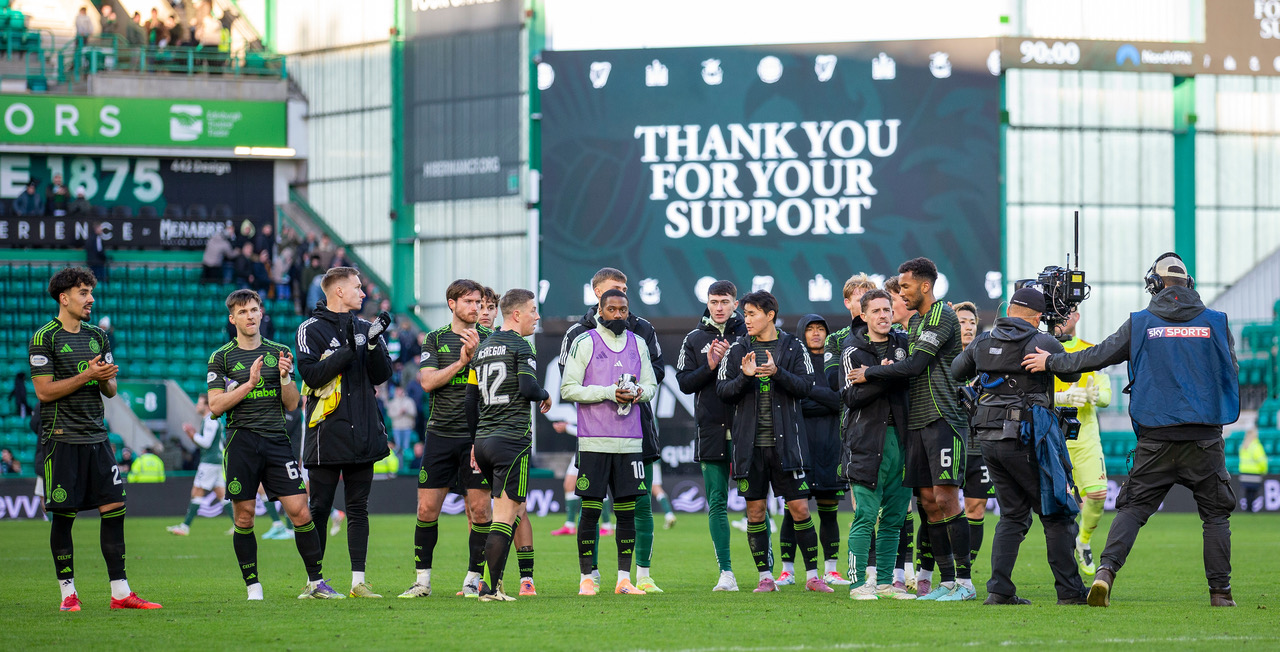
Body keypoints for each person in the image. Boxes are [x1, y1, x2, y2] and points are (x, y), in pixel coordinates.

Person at [1023, 252, 1241, 608]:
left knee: (1133, 510)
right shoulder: (1216, 321)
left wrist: (1052, 361)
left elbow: (1096, 356)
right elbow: (1229, 371)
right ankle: (1220, 594)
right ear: (1190, 284)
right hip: (1203, 439)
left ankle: (1105, 573)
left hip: (1155, 438)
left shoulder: (1141, 322)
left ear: (1154, 285)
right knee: (1215, 516)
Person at [30, 266, 161, 611]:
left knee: (114, 507)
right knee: (64, 515)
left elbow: (112, 390)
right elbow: (44, 392)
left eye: (91, 292)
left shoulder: (97, 336)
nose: (90, 299)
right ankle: (68, 594)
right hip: (61, 439)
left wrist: (103, 377)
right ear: (64, 297)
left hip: (97, 437)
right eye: (83, 293)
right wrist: (88, 373)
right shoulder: (44, 337)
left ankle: (120, 593)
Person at [848, 258, 974, 601]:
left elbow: (916, 365)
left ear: (925, 286)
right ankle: (946, 581)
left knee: (947, 498)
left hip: (943, 417)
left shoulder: (941, 316)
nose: (900, 294)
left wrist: (870, 373)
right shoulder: (916, 322)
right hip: (916, 423)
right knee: (929, 502)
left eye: (904, 287)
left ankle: (965, 582)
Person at [952, 287, 1087, 605]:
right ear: (1038, 316)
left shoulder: (984, 340)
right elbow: (1073, 375)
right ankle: (1069, 592)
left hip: (987, 436)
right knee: (1056, 514)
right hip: (1028, 437)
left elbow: (958, 370)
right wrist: (1052, 355)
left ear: (1010, 309)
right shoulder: (1042, 341)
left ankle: (999, 590)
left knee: (1012, 515)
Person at [209, 289, 334, 600]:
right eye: (243, 312)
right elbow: (215, 406)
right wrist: (249, 385)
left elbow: (292, 405)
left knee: (300, 512)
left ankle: (316, 583)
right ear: (232, 318)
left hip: (277, 441)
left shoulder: (279, 351)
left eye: (254, 310)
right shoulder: (221, 357)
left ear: (261, 313)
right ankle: (253, 586)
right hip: (241, 442)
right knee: (245, 517)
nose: (250, 316)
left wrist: (285, 378)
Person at [558, 267, 667, 593]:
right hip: (593, 437)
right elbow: (569, 386)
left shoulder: (640, 337)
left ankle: (632, 577)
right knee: (590, 509)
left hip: (632, 438)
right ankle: (587, 577)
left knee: (631, 508)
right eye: (612, 305)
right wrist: (607, 391)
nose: (618, 313)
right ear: (599, 303)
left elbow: (652, 380)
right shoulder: (581, 337)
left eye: (623, 305)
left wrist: (638, 393)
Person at [717, 290, 830, 594]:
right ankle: (765, 576)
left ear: (770, 315)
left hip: (788, 446)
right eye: (745, 314)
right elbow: (723, 391)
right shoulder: (738, 347)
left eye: (752, 313)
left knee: (800, 510)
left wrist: (777, 373)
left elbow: (807, 386)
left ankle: (812, 577)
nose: (746, 320)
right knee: (755, 512)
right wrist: (744, 377)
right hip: (749, 448)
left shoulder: (793, 346)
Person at [296, 268, 394, 599]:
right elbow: (311, 375)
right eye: (357, 287)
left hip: (364, 431)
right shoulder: (310, 329)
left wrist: (374, 342)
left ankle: (358, 582)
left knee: (358, 508)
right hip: (326, 433)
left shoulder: (365, 327)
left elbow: (381, 375)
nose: (363, 293)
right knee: (319, 507)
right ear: (338, 291)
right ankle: (314, 582)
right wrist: (350, 349)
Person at [403, 279, 494, 599]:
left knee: (481, 512)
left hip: (477, 437)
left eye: (480, 303)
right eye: (469, 302)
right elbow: (427, 382)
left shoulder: (490, 340)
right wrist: (462, 362)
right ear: (452, 304)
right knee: (426, 509)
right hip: (440, 435)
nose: (476, 308)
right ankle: (422, 582)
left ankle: (473, 580)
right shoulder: (435, 338)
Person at [465, 289, 552, 602]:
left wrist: (476, 442)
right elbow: (528, 388)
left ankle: (492, 583)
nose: (536, 316)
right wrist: (544, 394)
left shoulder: (483, 347)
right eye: (532, 310)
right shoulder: (521, 345)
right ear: (517, 314)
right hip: (511, 439)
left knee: (503, 513)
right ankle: (489, 589)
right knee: (506, 516)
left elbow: (470, 400)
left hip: (485, 441)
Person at [840, 290, 913, 600]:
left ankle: (884, 583)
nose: (884, 315)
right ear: (864, 316)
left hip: (904, 440)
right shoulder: (852, 350)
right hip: (867, 442)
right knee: (866, 516)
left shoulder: (905, 345)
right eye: (877, 311)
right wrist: (887, 376)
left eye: (887, 309)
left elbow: (911, 377)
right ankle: (858, 584)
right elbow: (850, 396)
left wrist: (875, 375)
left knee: (895, 517)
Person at [674, 280, 746, 591]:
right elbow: (684, 383)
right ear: (708, 302)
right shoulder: (693, 339)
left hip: (747, 427)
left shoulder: (748, 334)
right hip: (711, 429)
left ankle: (769, 573)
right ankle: (726, 573)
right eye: (714, 301)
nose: (718, 307)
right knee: (717, 501)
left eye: (724, 301)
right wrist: (710, 365)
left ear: (736, 303)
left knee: (756, 500)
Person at [777, 313, 847, 587]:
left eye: (821, 328)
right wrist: (823, 397)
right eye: (811, 329)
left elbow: (840, 401)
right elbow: (794, 402)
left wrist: (810, 392)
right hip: (800, 446)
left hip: (831, 445)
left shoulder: (836, 361)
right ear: (801, 333)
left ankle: (831, 569)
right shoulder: (795, 361)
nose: (816, 333)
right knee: (794, 508)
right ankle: (786, 570)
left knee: (829, 509)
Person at [1052, 310, 1112, 576]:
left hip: (1085, 437)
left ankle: (1084, 540)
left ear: (1076, 316)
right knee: (1056, 506)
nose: (1059, 320)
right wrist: (1062, 398)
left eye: (1064, 315)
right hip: (1052, 437)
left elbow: (1107, 395)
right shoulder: (1042, 348)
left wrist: (1093, 396)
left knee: (1098, 495)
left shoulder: (1090, 350)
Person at [953, 300, 994, 573]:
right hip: (948, 441)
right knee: (938, 507)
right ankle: (927, 572)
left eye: (971, 322)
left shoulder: (988, 358)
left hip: (979, 444)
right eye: (961, 322)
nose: (968, 327)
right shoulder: (940, 359)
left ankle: (964, 573)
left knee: (976, 507)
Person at [167, 394, 232, 535]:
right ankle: (237, 525)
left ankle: (185, 527)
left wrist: (192, 434)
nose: (197, 405)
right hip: (215, 461)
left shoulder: (210, 421)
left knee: (196, 492)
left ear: (207, 405)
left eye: (200, 403)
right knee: (221, 494)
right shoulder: (211, 420)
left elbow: (206, 443)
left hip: (209, 462)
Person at [1238, 429, 1268, 513]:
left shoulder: (1243, 446)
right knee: (1253, 492)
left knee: (1247, 493)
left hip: (1244, 473)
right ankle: (1251, 510)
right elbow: (1262, 460)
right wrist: (1264, 470)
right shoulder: (1256, 446)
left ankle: (1248, 509)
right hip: (1254, 473)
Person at [386, 385, 417, 455]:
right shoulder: (392, 402)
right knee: (397, 448)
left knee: (406, 447)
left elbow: (414, 413)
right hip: (396, 427)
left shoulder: (409, 401)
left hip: (407, 427)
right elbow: (390, 414)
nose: (399, 392)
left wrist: (406, 412)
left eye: (400, 390)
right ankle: (398, 464)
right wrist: (399, 413)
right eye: (397, 390)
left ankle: (406, 464)